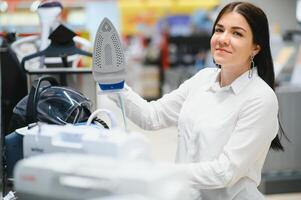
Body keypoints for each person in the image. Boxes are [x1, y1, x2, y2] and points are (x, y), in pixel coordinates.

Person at [109, 1, 284, 199]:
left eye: (237, 33)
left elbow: (225, 172)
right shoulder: (202, 80)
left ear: (255, 48)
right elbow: (153, 116)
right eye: (219, 30)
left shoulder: (260, 98)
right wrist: (114, 85)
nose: (223, 39)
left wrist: (160, 172)